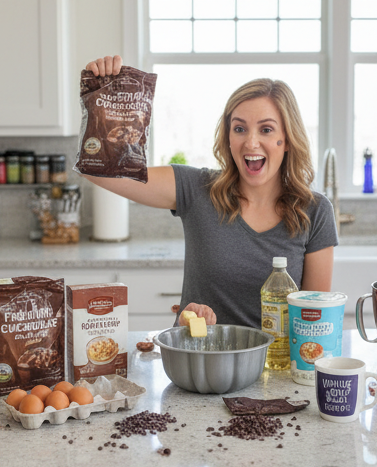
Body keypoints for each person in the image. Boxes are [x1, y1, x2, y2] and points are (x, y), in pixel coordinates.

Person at [81, 56, 336, 327]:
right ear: (228, 137)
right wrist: (104, 100)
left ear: (286, 140)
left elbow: (312, 323)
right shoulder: (196, 189)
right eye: (239, 128)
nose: (251, 142)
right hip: (200, 362)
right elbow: (97, 169)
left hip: (277, 367)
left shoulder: (315, 211)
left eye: (266, 129)